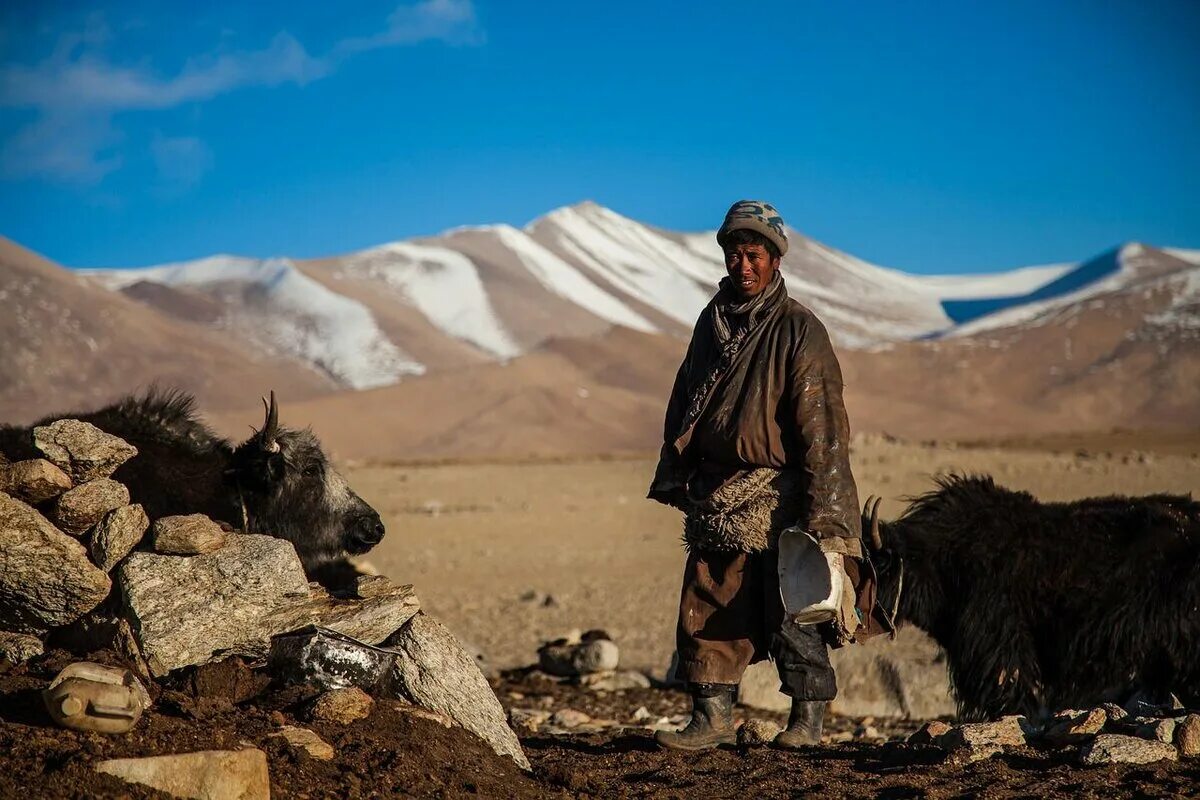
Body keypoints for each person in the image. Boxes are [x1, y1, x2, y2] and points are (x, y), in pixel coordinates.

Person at [648, 200, 866, 751]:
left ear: (774, 260)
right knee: (708, 601)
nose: (743, 266)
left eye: (754, 255)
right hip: (719, 494)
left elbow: (823, 431)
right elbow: (685, 397)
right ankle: (710, 717)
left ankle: (807, 722)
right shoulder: (712, 322)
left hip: (779, 494)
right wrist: (677, 470)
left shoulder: (799, 330)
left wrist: (828, 515)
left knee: (794, 604)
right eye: (734, 254)